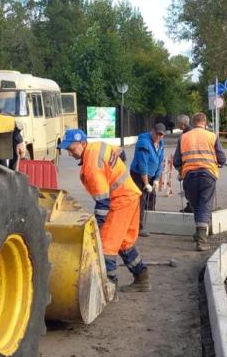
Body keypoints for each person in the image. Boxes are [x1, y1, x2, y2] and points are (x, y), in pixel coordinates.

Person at [63, 128, 151, 292]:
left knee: (106, 246)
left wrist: (96, 227)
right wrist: (116, 172)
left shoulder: (91, 165)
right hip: (130, 195)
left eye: (72, 149)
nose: (70, 154)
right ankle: (142, 278)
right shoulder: (98, 146)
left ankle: (108, 288)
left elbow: (102, 202)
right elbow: (121, 153)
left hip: (120, 201)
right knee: (124, 242)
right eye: (68, 150)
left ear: (82, 143)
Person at [173, 113, 226, 251]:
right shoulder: (212, 136)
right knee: (205, 206)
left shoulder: (183, 137)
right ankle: (202, 241)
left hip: (189, 176)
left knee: (197, 206)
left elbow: (176, 161)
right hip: (208, 175)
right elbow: (222, 158)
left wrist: (181, 170)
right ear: (205, 122)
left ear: (193, 122)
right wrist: (218, 163)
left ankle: (198, 234)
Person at [130, 123, 166, 236]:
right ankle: (138, 227)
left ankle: (149, 223)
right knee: (140, 199)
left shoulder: (160, 143)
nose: (158, 136)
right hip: (139, 175)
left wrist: (156, 178)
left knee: (151, 198)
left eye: (161, 135)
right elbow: (143, 165)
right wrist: (146, 183)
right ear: (152, 131)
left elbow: (160, 162)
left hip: (151, 176)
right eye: (157, 133)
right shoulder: (143, 143)